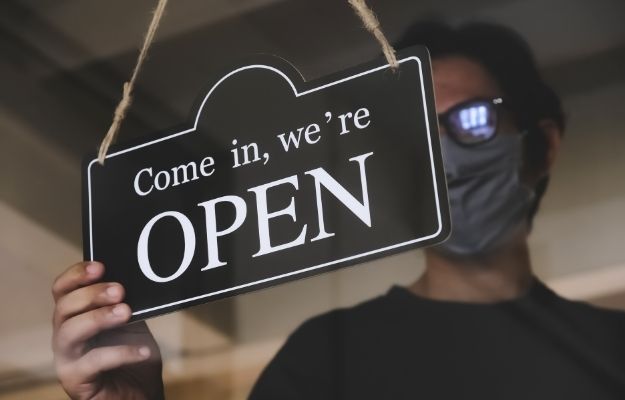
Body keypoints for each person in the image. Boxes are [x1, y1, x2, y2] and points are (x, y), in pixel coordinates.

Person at [51, 21, 625, 399]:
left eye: (472, 120)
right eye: (417, 132)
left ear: (541, 146)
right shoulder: (325, 359)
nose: (442, 156)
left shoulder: (613, 346)